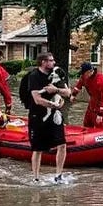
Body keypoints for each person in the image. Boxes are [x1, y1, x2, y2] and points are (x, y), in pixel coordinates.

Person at [27, 52, 71, 183]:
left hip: (55, 116)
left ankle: (58, 175)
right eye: (51, 60)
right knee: (37, 148)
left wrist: (56, 91)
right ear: (43, 62)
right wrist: (54, 105)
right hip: (38, 116)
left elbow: (68, 92)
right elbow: (37, 99)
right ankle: (36, 177)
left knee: (62, 144)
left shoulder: (57, 74)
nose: (53, 63)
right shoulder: (34, 76)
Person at [71, 62, 103, 127]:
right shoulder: (85, 77)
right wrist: (73, 95)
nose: (82, 76)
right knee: (87, 122)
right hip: (92, 102)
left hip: (100, 104)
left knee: (99, 123)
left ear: (89, 72)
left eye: (83, 74)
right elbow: (79, 84)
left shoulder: (101, 80)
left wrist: (100, 114)